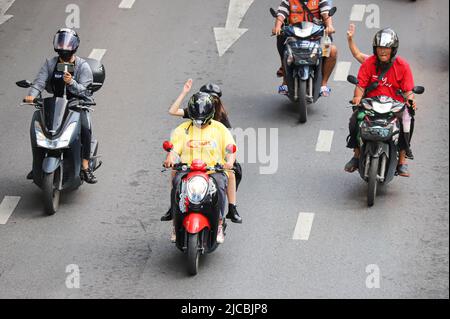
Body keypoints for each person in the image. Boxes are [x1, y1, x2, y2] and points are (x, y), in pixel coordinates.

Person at [161, 80, 242, 224]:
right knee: (175, 175)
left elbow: (229, 146)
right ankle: (173, 210)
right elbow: (174, 149)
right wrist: (170, 159)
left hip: (213, 169)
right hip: (189, 169)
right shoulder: (184, 127)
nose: (199, 123)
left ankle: (227, 212)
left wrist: (228, 162)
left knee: (231, 174)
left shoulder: (220, 127)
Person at [24, 28, 97, 183]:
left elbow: (86, 91)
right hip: (56, 105)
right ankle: (37, 165)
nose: (64, 48)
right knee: (39, 128)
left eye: (68, 44)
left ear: (75, 46)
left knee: (85, 127)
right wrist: (32, 95)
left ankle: (85, 166)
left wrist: (71, 82)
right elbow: (40, 82)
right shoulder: (50, 64)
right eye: (61, 43)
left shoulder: (82, 66)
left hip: (77, 105)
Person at [345, 28, 417, 177]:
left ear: (393, 50)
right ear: (375, 49)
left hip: (394, 107)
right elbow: (360, 86)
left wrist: (411, 102)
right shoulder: (369, 63)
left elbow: (408, 91)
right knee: (355, 120)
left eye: (386, 48)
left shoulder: (403, 66)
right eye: (380, 48)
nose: (382, 51)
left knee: (408, 119)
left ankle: (402, 161)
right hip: (371, 105)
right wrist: (357, 97)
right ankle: (356, 154)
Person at [272, 0, 337, 97]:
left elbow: (326, 13)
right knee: (284, 48)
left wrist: (329, 26)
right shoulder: (288, 1)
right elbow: (281, 14)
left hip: (316, 38)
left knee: (332, 51)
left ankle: (323, 84)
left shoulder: (320, 1)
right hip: (294, 38)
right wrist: (277, 27)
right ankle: (285, 81)